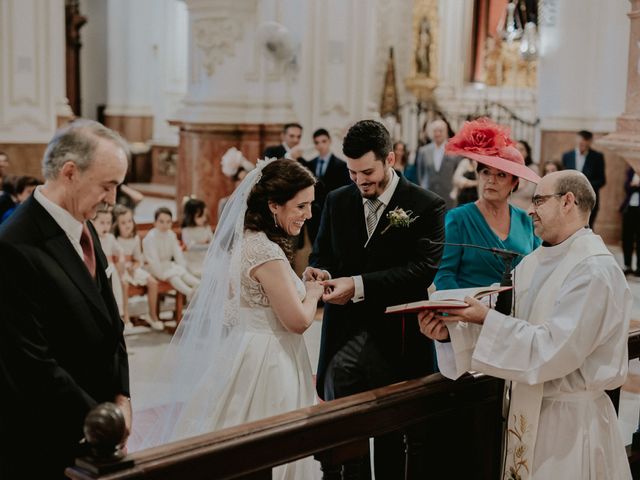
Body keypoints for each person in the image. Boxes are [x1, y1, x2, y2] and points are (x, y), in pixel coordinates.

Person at [419, 170, 632, 480]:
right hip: (529, 412)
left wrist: (484, 319)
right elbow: (513, 322)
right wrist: (450, 333)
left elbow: (553, 350)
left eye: (539, 200)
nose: (530, 209)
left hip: (570, 427)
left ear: (568, 201)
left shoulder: (593, 269)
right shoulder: (534, 263)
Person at [137, 159, 323, 479]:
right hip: (270, 360)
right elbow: (298, 321)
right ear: (274, 205)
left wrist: (300, 282)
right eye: (301, 206)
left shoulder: (249, 242)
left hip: (247, 348)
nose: (308, 214)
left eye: (310, 205)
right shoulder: (266, 252)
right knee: (269, 445)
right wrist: (314, 291)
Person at [305, 119, 446, 478]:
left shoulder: (425, 205)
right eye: (352, 172)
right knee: (346, 438)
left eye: (367, 171)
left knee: (393, 440)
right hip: (344, 340)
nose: (358, 180)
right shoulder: (337, 200)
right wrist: (318, 272)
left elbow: (421, 271)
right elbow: (322, 254)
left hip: (397, 341)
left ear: (391, 159)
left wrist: (358, 284)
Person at [0, 119, 131, 479]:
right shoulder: (14, 245)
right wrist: (101, 419)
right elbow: (32, 362)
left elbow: (111, 321)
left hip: (99, 428)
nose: (112, 200)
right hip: (46, 438)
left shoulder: (83, 223)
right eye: (107, 185)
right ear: (70, 172)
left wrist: (123, 395)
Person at [435, 118, 541, 290]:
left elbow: (538, 270)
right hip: (468, 311)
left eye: (501, 175)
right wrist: (459, 311)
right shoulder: (458, 218)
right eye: (486, 172)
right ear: (478, 176)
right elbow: (445, 275)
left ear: (514, 183)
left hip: (516, 312)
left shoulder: (526, 221)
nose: (491, 180)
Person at [112, 205, 163, 330]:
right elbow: (115, 259)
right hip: (119, 270)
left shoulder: (135, 238)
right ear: (116, 225)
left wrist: (134, 267)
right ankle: (125, 317)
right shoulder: (114, 239)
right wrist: (124, 267)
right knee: (124, 284)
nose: (127, 225)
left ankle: (152, 315)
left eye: (129, 221)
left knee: (153, 282)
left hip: (132, 269)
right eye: (123, 222)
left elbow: (138, 259)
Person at [142, 207, 200, 299]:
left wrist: (182, 267)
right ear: (155, 222)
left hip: (168, 265)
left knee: (183, 273)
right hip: (153, 268)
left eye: (168, 222)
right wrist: (161, 274)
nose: (165, 225)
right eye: (161, 221)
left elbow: (178, 255)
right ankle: (189, 293)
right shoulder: (150, 238)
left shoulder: (171, 235)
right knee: (173, 276)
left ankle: (200, 285)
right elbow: (153, 261)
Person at [307, 128, 350, 244]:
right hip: (313, 215)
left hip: (332, 213)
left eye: (323, 141)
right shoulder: (309, 164)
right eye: (317, 142)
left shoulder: (342, 165)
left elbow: (345, 191)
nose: (320, 145)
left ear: (330, 141)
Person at [562, 130, 605, 228]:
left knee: (587, 228)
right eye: (580, 141)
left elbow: (602, 180)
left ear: (590, 142)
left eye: (585, 141)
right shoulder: (567, 156)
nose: (582, 144)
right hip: (570, 199)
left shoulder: (598, 157)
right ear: (577, 140)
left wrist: (584, 186)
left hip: (589, 200)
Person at [415, 119, 461, 209]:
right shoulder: (423, 151)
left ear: (446, 132)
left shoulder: (454, 151)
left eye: (440, 131)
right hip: (429, 197)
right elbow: (420, 174)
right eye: (435, 131)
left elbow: (458, 173)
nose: (437, 133)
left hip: (449, 197)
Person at [92, 206, 126, 320]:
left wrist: (121, 258)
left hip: (109, 267)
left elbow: (120, 250)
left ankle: (117, 311)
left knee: (114, 276)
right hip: (96, 267)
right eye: (102, 223)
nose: (105, 226)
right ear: (93, 222)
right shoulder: (92, 237)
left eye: (108, 223)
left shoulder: (110, 237)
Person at [181, 197, 213, 277]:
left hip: (206, 258)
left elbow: (213, 241)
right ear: (191, 216)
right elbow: (191, 246)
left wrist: (205, 244)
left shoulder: (206, 227)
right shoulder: (186, 230)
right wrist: (207, 245)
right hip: (193, 260)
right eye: (200, 216)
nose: (204, 219)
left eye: (204, 215)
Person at [620, 166, 640, 276]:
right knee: (627, 237)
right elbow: (627, 187)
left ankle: (639, 267)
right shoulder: (631, 170)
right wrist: (634, 185)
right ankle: (627, 265)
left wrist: (635, 185)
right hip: (629, 208)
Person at [509, 139, 538, 210]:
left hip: (525, 209)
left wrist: (513, 188)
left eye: (521, 149)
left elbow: (529, 191)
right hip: (508, 208)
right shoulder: (508, 167)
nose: (518, 151)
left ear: (527, 152)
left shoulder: (532, 169)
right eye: (515, 149)